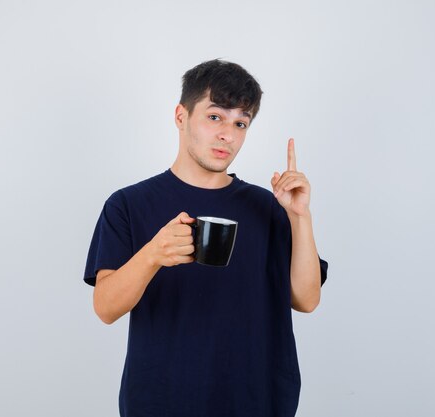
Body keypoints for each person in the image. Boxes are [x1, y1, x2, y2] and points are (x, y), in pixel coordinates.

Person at [83, 59, 329, 417]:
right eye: (215, 117)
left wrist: (299, 216)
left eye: (240, 123)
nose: (227, 134)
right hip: (162, 401)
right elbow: (105, 308)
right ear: (181, 116)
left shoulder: (268, 206)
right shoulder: (128, 204)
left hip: (257, 400)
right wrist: (152, 254)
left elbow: (306, 300)